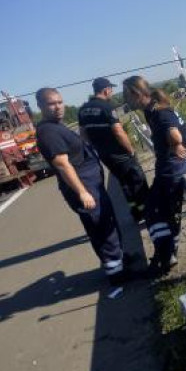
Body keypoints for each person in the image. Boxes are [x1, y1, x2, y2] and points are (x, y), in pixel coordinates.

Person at [35, 87, 129, 292]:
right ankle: (118, 275)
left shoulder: (56, 126)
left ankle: (120, 261)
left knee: (106, 224)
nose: (58, 106)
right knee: (102, 229)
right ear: (41, 106)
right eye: (52, 103)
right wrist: (82, 192)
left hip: (90, 184)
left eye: (60, 102)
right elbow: (61, 164)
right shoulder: (48, 132)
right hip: (84, 187)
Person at [122, 76, 186, 277]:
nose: (125, 100)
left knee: (155, 212)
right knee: (165, 213)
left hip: (171, 169)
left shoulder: (159, 112)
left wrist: (177, 144)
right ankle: (167, 254)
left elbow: (174, 132)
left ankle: (165, 255)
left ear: (137, 94)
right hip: (169, 168)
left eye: (127, 95)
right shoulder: (151, 109)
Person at [78, 77, 149, 223]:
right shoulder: (106, 107)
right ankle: (147, 211)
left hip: (105, 155)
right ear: (105, 90)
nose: (112, 92)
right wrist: (131, 150)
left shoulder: (83, 110)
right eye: (111, 89)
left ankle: (136, 214)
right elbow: (118, 131)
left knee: (124, 183)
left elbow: (83, 134)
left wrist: (97, 147)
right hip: (120, 154)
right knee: (137, 181)